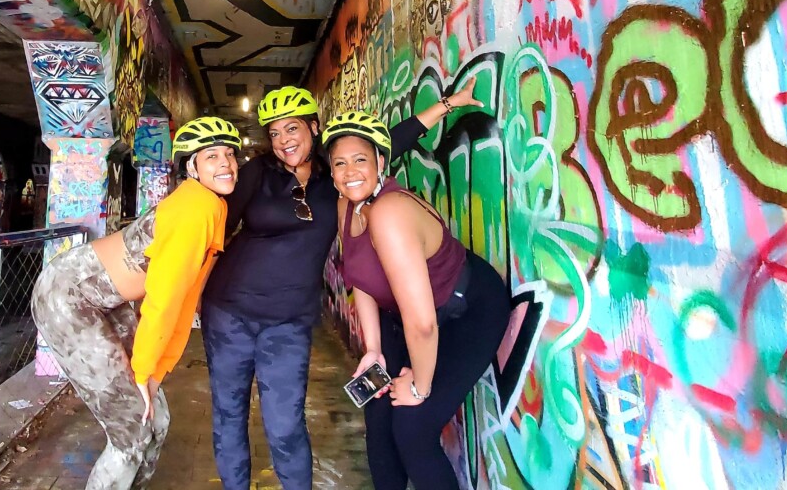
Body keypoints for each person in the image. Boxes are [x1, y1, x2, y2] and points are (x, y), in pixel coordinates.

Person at [200, 84, 479, 490]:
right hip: (229, 314)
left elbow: (390, 141)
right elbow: (214, 227)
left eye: (292, 128)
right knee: (228, 417)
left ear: (314, 127)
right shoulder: (258, 172)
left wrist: (446, 105)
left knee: (285, 427)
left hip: (289, 322)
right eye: (274, 133)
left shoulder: (335, 178)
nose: (283, 140)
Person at [29, 116, 241, 489]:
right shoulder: (195, 208)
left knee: (155, 418)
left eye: (229, 154)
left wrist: (158, 370)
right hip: (68, 296)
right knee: (131, 432)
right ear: (192, 167)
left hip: (102, 302)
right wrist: (143, 372)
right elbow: (164, 300)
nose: (226, 163)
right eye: (212, 156)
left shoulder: (213, 206)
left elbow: (185, 299)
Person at [324, 111, 511, 490]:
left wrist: (419, 387)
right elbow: (361, 280)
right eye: (340, 163)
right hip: (408, 314)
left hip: (466, 309)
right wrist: (373, 350)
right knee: (378, 411)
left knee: (413, 426)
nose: (350, 172)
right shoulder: (346, 205)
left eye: (360, 159)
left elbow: (423, 324)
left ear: (381, 162)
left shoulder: (390, 213)